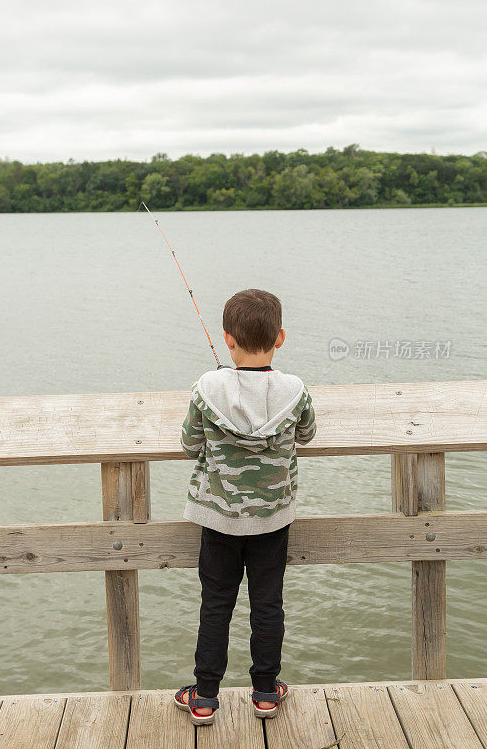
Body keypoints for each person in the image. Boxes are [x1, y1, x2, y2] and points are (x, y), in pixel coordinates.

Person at [173, 289, 317, 726]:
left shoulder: (207, 386)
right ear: (280, 337)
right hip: (272, 519)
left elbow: (188, 444)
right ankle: (266, 692)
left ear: (227, 339)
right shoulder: (295, 390)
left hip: (218, 519)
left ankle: (204, 697)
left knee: (216, 604)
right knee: (267, 603)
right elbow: (307, 435)